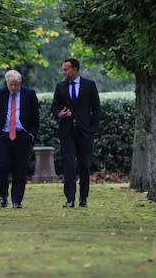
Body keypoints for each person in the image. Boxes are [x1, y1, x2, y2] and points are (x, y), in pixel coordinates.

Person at [51, 58, 101, 208]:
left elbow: (97, 110)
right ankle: (70, 198)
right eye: (63, 69)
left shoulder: (89, 85)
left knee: (84, 166)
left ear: (75, 69)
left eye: (66, 69)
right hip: (67, 132)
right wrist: (59, 114)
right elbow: (54, 107)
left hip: (85, 133)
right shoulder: (60, 87)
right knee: (68, 166)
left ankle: (83, 198)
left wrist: (92, 129)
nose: (63, 72)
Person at [0, 70, 40, 209]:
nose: (14, 88)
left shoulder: (29, 94)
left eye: (17, 85)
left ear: (20, 83)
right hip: (3, 136)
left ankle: (17, 200)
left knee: (20, 169)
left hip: (22, 136)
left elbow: (35, 118)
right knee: (2, 166)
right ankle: (3, 197)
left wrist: (31, 135)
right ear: (7, 83)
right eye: (11, 85)